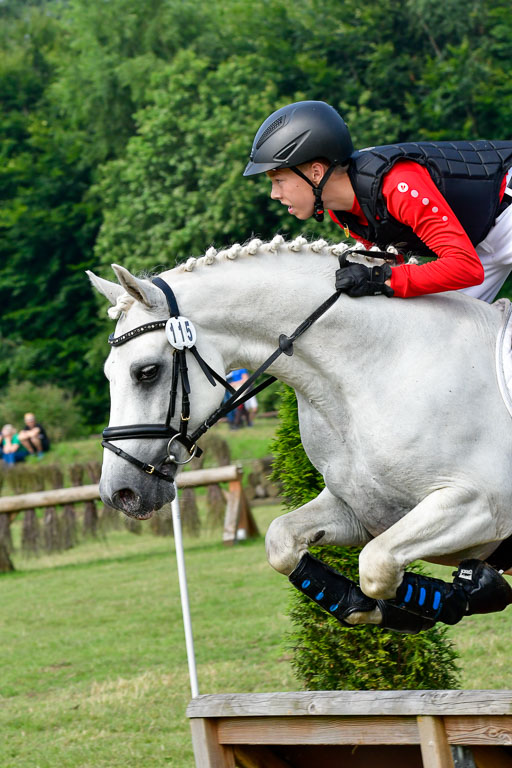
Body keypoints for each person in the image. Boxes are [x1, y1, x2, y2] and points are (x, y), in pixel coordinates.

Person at [243, 100, 512, 303]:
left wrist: (381, 279)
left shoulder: (398, 186)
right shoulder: (341, 209)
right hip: (478, 242)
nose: (274, 194)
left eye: (278, 181)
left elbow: (465, 268)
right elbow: (392, 266)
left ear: (316, 172)